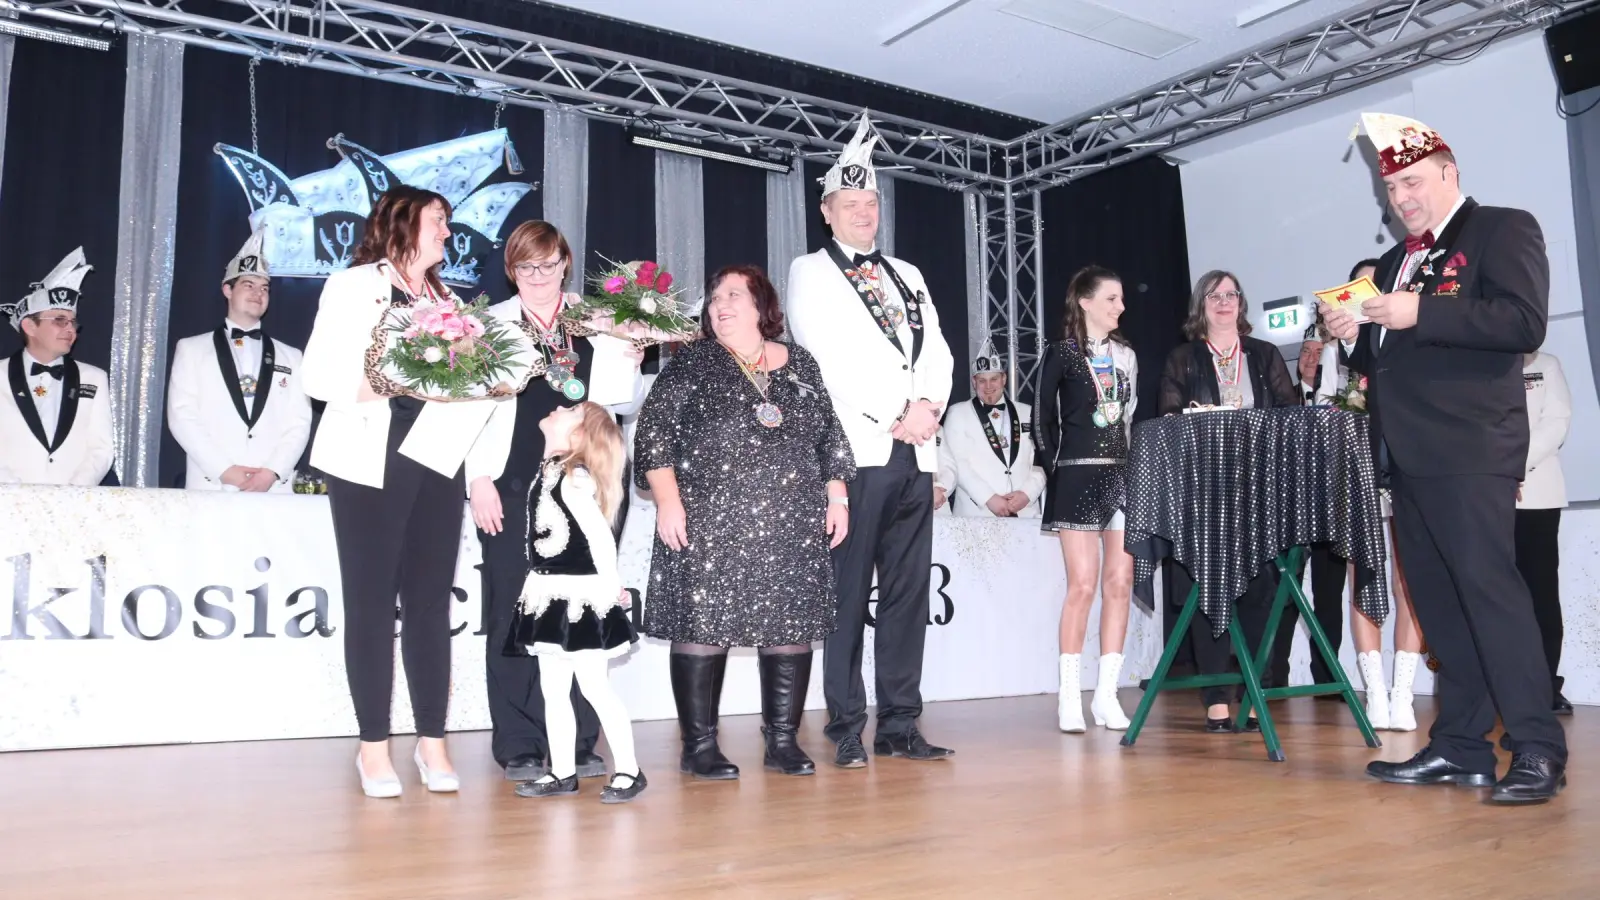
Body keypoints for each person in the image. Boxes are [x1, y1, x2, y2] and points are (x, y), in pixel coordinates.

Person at [1324, 112, 1565, 803]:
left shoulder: (1502, 228)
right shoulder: (1399, 262)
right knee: (1437, 602)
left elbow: (1524, 321)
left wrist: (1419, 314)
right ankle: (1460, 746)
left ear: (1449, 174)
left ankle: (1538, 747)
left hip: (1470, 448)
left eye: (1410, 182)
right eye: (1390, 188)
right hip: (1409, 455)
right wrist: (1354, 331)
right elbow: (1382, 361)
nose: (1400, 198)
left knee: (1490, 596)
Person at [301, 185, 512, 798]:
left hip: (437, 461)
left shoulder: (450, 300)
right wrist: (398, 378)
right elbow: (318, 375)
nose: (448, 233)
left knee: (428, 605)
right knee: (370, 604)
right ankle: (372, 748)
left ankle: (432, 740)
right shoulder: (353, 286)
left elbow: (472, 391)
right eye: (439, 221)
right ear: (405, 223)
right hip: (370, 459)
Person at [635, 264, 854, 779]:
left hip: (792, 521)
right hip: (710, 518)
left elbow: (829, 434)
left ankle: (782, 741)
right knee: (703, 627)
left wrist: (837, 495)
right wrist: (668, 500)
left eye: (734, 294)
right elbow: (653, 434)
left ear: (762, 306)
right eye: (714, 298)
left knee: (789, 625)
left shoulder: (800, 363)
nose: (720, 304)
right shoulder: (692, 362)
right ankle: (699, 744)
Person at [787, 114, 956, 767]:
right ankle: (845, 727)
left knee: (909, 596)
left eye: (871, 202)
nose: (864, 213)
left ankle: (901, 724)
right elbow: (824, 357)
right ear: (827, 212)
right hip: (860, 452)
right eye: (850, 204)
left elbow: (937, 350)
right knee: (847, 595)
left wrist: (928, 409)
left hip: (917, 452)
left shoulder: (909, 274)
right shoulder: (811, 271)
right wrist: (895, 412)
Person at [468, 220, 645, 785]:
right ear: (512, 270)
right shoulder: (486, 327)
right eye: (526, 267)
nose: (538, 277)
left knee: (586, 606)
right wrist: (477, 479)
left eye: (548, 265)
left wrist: (632, 351)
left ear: (565, 263)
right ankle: (519, 740)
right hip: (511, 479)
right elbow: (463, 409)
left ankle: (578, 743)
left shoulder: (596, 319)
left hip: (588, 480)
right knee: (511, 613)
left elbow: (620, 399)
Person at [1276, 257, 1426, 733]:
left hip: (1404, 460)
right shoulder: (1333, 347)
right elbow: (1319, 405)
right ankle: (1374, 690)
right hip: (1351, 467)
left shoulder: (1407, 337)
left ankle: (1402, 692)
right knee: (1363, 578)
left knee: (1408, 581)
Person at [1159, 269, 1299, 732]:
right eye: (1215, 296)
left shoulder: (1264, 354)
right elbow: (1169, 419)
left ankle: (1254, 691)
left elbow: (1289, 415)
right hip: (1203, 491)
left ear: (1241, 303)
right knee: (1207, 594)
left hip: (1258, 489)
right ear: (1202, 305)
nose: (1224, 302)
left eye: (1231, 294)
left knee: (1260, 594)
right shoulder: (1183, 357)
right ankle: (1217, 697)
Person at [510, 403, 645, 803]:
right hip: (549, 593)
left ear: (579, 435)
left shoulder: (574, 477)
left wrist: (611, 588)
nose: (556, 406)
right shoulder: (548, 471)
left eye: (569, 409)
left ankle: (629, 770)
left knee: (594, 688)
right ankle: (562, 770)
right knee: (553, 689)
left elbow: (600, 537)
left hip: (581, 597)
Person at [1032, 266, 1139, 733]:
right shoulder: (1060, 353)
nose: (1120, 307)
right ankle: (1070, 696)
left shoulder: (1126, 355)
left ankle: (1108, 695)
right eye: (1111, 299)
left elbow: (1129, 417)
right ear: (1086, 302)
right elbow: (1040, 421)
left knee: (1121, 583)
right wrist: (1058, 473)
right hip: (1076, 477)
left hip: (1121, 477)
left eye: (1120, 299)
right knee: (1083, 585)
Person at [166, 228, 312, 493]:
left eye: (264, 288)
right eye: (248, 285)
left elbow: (299, 423)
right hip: (212, 485)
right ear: (227, 290)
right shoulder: (191, 349)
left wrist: (271, 473)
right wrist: (225, 471)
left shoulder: (291, 356)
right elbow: (182, 416)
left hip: (273, 490)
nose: (258, 293)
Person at [0, 248, 114, 487]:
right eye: (59, 321)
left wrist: (72, 493)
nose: (70, 329)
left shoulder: (94, 377)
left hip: (72, 506)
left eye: (72, 322)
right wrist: (15, 492)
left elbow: (101, 448)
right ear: (30, 326)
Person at [934, 338, 1045, 518]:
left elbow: (1041, 461)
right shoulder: (957, 413)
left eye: (994, 379)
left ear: (1004, 379)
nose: (988, 387)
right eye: (981, 381)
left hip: (1025, 511)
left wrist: (1027, 494)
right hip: (977, 513)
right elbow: (957, 463)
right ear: (973, 382)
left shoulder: (1028, 413)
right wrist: (988, 498)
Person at [1516, 350, 1571, 715]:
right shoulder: (1480, 363)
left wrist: (1515, 466)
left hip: (1537, 495)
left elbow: (1557, 423)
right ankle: (1504, 686)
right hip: (1486, 496)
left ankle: (1546, 685)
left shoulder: (1547, 364)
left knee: (1541, 594)